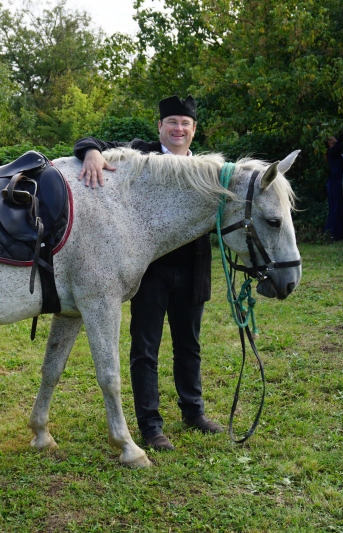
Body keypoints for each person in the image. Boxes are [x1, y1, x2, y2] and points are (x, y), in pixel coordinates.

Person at [74, 95, 222, 452]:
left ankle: (194, 411)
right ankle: (150, 425)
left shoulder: (205, 168)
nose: (178, 129)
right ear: (160, 126)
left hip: (194, 267)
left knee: (189, 344)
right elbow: (91, 141)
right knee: (145, 348)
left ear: (194, 130)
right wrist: (91, 152)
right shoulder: (142, 154)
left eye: (185, 124)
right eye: (172, 122)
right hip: (150, 270)